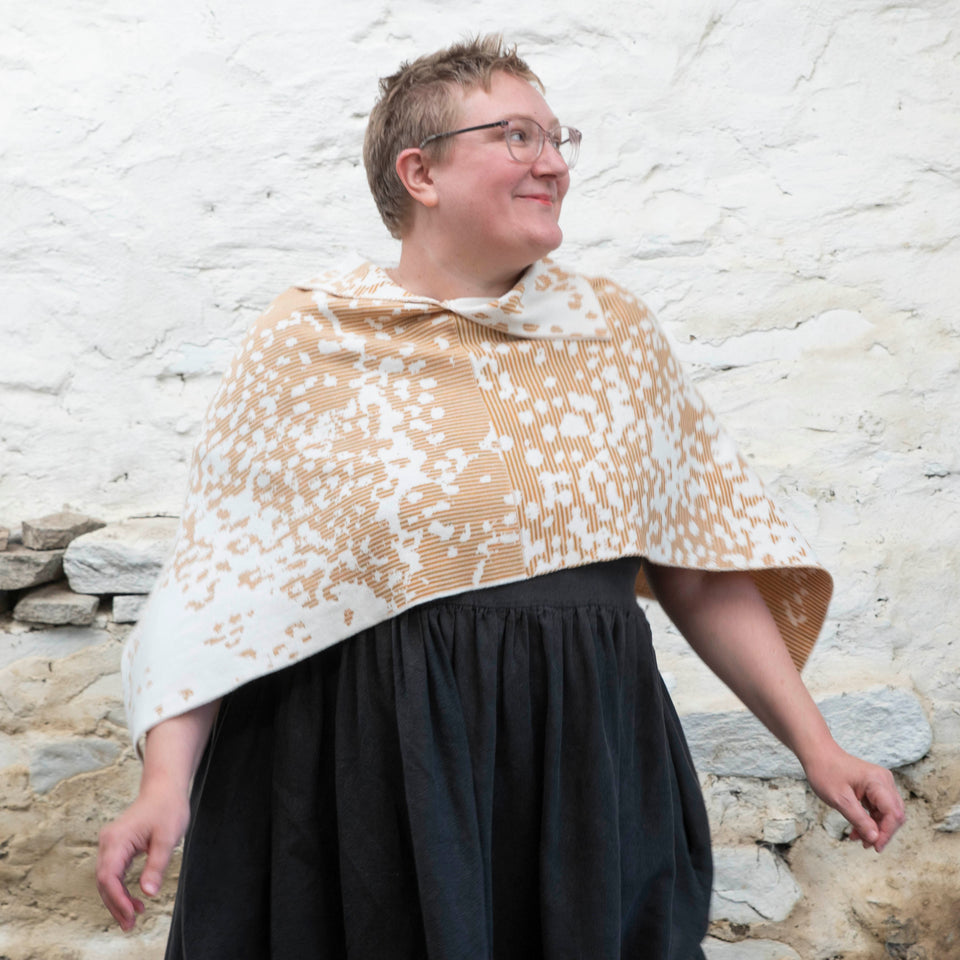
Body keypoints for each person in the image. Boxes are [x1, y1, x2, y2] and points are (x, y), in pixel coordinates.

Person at [97, 35, 905, 960]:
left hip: (579, 769)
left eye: (559, 138)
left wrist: (819, 747)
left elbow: (702, 567)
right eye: (517, 136)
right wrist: (164, 785)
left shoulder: (615, 338)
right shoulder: (308, 342)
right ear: (420, 172)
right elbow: (219, 592)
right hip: (367, 775)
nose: (553, 163)